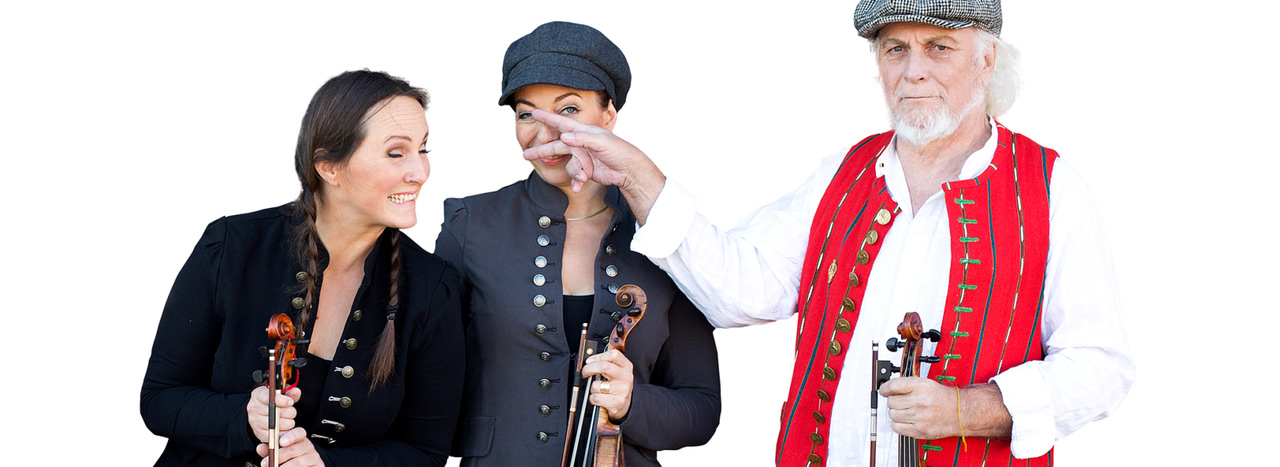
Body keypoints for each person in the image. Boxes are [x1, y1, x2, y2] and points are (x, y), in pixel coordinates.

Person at [518, 2, 1134, 466]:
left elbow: (1100, 368)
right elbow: (742, 290)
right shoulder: (841, 176)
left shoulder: (1051, 188)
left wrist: (968, 408)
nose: (913, 71)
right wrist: (639, 176)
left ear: (987, 59)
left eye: (939, 47)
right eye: (895, 49)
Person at [141, 70, 465, 467]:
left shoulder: (434, 289)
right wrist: (242, 417)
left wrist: (326, 465)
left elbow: (425, 451)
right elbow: (159, 399)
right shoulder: (231, 247)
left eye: (423, 149)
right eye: (396, 153)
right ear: (328, 167)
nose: (420, 172)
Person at [435, 21, 721, 467]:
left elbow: (701, 409)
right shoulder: (469, 226)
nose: (544, 133)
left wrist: (632, 402)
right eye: (526, 114)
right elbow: (425, 382)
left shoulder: (664, 233)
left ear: (609, 115)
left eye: (567, 109)